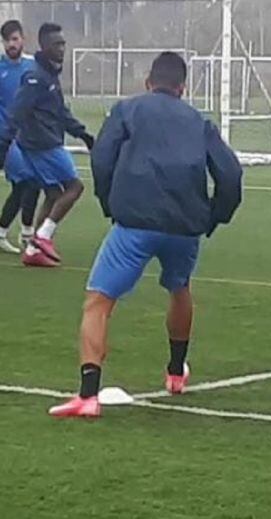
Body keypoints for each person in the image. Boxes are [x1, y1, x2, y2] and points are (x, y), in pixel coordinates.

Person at [48, 52, 243, 418]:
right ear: (182, 89)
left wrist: (110, 202)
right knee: (179, 288)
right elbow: (231, 176)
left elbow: (102, 157)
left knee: (99, 301)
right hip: (185, 228)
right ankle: (175, 373)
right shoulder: (200, 122)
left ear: (148, 83)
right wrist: (213, 218)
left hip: (135, 223)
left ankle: (88, 395)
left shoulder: (128, 110)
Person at [0, 23, 94, 267]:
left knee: (53, 194)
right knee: (74, 188)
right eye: (57, 44)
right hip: (42, 144)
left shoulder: (48, 73)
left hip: (42, 141)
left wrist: (82, 134)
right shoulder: (36, 77)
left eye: (63, 43)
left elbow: (61, 112)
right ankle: (41, 237)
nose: (62, 48)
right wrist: (4, 143)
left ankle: (32, 247)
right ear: (44, 46)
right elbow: (17, 112)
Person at [0, 20, 40, 254]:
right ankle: (25, 234)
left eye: (14, 39)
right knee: (28, 180)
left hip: (29, 138)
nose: (10, 44)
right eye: (6, 41)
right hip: (5, 137)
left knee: (27, 183)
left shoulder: (32, 66)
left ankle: (18, 232)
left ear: (22, 39)